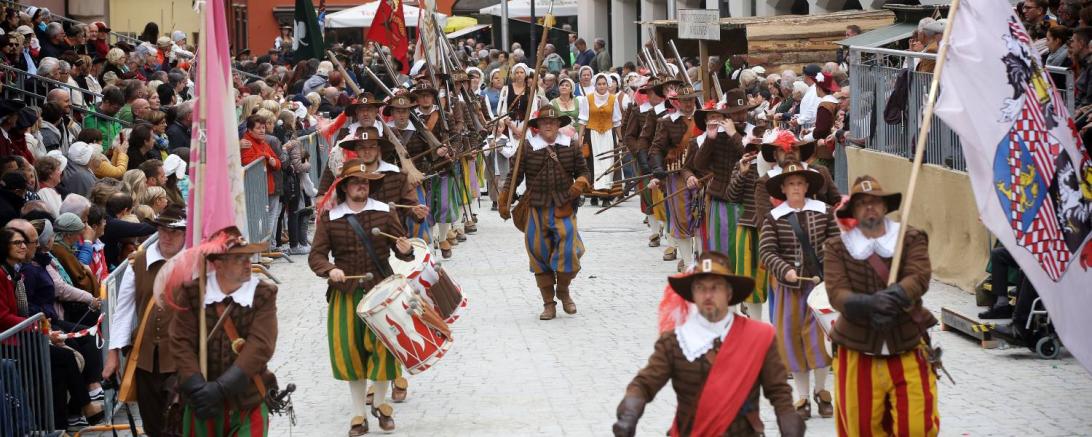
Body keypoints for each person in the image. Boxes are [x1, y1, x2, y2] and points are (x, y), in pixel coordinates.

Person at [612, 251, 803, 437]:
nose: (707, 295)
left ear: (729, 293)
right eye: (700, 288)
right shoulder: (675, 341)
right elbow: (645, 384)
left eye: (715, 287)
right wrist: (629, 414)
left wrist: (789, 423)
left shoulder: (759, 336)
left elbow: (778, 391)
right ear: (692, 294)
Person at [823, 175, 939, 437]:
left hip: (907, 345)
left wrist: (895, 295)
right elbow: (836, 292)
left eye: (875, 201)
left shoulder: (910, 238)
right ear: (853, 211)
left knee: (917, 428)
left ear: (886, 206)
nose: (870, 207)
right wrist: (868, 304)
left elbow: (919, 276)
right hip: (857, 350)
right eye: (862, 203)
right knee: (860, 429)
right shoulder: (836, 247)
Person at [308, 160, 415, 434]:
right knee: (350, 351)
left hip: (382, 291)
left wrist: (405, 249)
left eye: (365, 182)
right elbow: (316, 256)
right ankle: (358, 415)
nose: (361, 186)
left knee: (384, 350)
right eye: (356, 182)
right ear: (344, 187)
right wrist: (330, 269)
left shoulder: (383, 212)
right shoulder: (330, 218)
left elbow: (402, 248)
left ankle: (380, 404)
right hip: (346, 295)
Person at [164, 226, 279, 437]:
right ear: (218, 264)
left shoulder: (263, 293)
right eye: (238, 259)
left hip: (247, 399)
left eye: (248, 257)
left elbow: (261, 346)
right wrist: (197, 387)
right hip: (200, 403)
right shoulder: (193, 293)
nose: (248, 264)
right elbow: (180, 343)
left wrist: (219, 389)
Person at [758, 161, 839, 419]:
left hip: (821, 289)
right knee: (793, 342)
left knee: (821, 342)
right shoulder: (774, 218)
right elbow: (767, 252)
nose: (796, 187)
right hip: (789, 290)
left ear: (807, 186)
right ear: (783, 187)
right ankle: (802, 397)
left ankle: (821, 391)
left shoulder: (824, 211)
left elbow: (836, 243)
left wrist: (827, 267)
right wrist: (785, 270)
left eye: (800, 183)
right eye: (791, 183)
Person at [500, 106, 590, 320]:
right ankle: (548, 303)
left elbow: (585, 171)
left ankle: (564, 291)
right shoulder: (527, 147)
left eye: (553, 122)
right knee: (538, 253)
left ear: (559, 124)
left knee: (570, 251)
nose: (549, 125)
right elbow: (514, 177)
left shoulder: (571, 146)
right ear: (537, 127)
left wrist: (580, 183)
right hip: (536, 207)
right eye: (544, 122)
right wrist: (505, 200)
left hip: (564, 206)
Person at [649, 84, 703, 272]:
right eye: (685, 100)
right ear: (678, 102)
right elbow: (656, 147)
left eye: (691, 100)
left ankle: (698, 258)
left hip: (702, 172)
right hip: (676, 173)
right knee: (682, 217)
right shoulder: (667, 122)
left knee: (701, 217)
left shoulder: (704, 119)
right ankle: (688, 261)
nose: (688, 104)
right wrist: (657, 167)